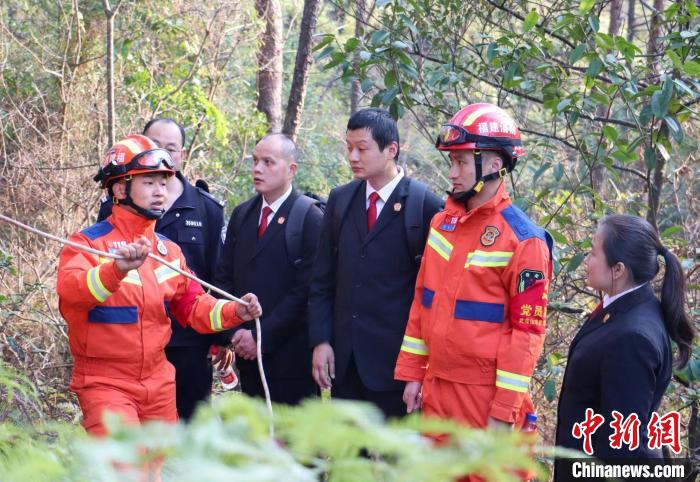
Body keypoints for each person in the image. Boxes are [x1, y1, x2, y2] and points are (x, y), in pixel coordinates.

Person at [57, 134, 262, 436]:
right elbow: (72, 295)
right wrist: (115, 271)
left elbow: (195, 307)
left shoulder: (168, 252)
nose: (160, 192)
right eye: (149, 183)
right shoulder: (88, 244)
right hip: (105, 383)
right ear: (119, 188)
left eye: (163, 184)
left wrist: (236, 311)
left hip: (159, 382)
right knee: (125, 469)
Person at [394, 103, 554, 437]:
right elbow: (423, 302)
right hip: (437, 392)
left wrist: (504, 409)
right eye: (452, 161)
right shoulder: (442, 224)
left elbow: (527, 334)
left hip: (486, 399)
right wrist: (413, 372)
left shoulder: (524, 241)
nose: (452, 173)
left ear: (494, 164)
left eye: (462, 162)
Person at [309, 107, 443, 418]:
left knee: (396, 462)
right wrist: (321, 339)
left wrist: (421, 368)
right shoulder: (341, 200)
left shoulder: (425, 207)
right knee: (347, 462)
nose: (353, 157)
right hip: (345, 364)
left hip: (396, 368)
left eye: (362, 148)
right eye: (349, 148)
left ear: (391, 150)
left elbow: (433, 297)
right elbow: (322, 279)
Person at [97, 118, 229, 421]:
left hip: (189, 341)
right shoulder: (117, 202)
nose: (162, 154)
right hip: (132, 341)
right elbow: (102, 263)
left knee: (189, 428)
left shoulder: (206, 208)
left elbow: (218, 273)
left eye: (170, 149)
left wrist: (222, 337)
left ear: (181, 155)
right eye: (154, 146)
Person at [554, 215, 694, 479]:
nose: (586, 260)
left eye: (593, 253)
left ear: (618, 269)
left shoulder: (632, 337)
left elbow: (624, 448)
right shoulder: (624, 309)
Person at [214, 134, 322, 404]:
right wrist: (234, 331)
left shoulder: (309, 217)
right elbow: (224, 275)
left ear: (291, 169)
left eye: (268, 162)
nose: (257, 169)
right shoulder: (242, 214)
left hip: (291, 356)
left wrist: (261, 338)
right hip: (246, 352)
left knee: (294, 440)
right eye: (255, 161)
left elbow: (305, 291)